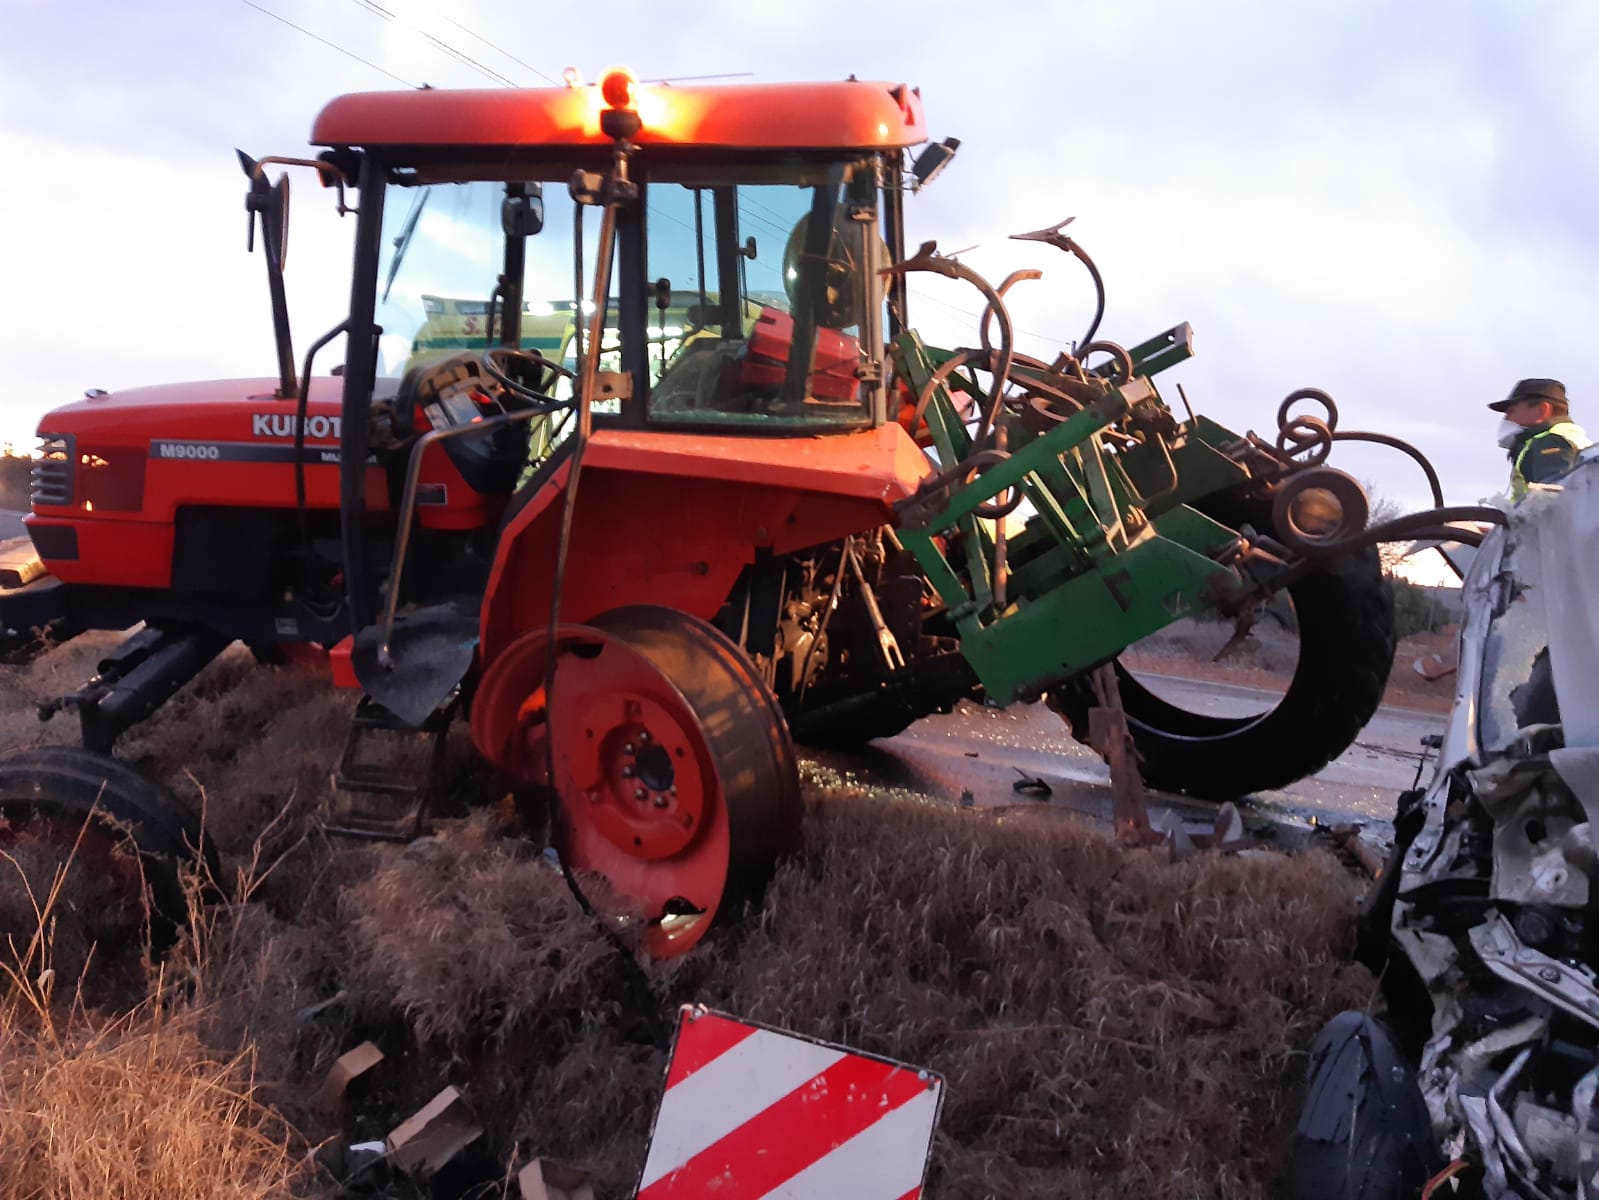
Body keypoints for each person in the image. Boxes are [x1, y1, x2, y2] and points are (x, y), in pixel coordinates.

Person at [1490, 378, 1592, 499]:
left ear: (1542, 410)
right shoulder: (1574, 438)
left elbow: (1553, 500)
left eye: (1511, 411)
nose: (1507, 418)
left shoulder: (1549, 442)